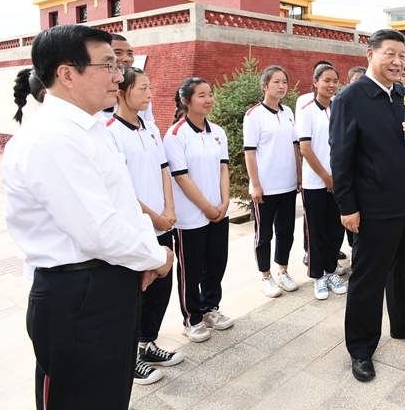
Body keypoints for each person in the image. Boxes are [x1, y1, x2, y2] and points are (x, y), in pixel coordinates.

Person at [3, 24, 173, 410]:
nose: (119, 76)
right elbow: (99, 230)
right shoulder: (52, 137)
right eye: (108, 65)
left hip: (108, 284)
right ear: (67, 74)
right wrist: (156, 256)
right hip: (79, 296)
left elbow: (122, 204)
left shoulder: (90, 128)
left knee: (108, 397)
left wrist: (144, 253)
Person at [329, 29, 405, 383]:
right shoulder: (350, 99)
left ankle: (403, 323)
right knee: (368, 278)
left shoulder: (403, 94)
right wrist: (347, 207)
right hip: (374, 205)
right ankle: (361, 347)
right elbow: (340, 159)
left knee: (401, 268)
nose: (397, 61)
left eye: (402, 56)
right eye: (390, 53)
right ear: (370, 55)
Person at [107, 67, 184, 385]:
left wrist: (169, 208)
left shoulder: (151, 128)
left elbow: (164, 170)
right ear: (122, 93)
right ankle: (130, 359)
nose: (150, 94)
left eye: (150, 87)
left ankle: (148, 344)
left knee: (161, 289)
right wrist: (154, 216)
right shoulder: (111, 132)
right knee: (136, 293)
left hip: (163, 223)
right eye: (142, 88)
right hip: (137, 229)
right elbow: (121, 189)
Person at [165, 77, 234, 343]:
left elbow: (223, 169)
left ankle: (209, 308)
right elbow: (181, 177)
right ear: (186, 101)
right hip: (191, 216)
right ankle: (191, 318)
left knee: (216, 263)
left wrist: (224, 202)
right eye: (201, 95)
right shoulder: (175, 135)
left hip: (219, 211)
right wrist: (206, 207)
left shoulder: (217, 132)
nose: (209, 100)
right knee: (191, 270)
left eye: (210, 94)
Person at [243, 65, 302, 299]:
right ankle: (265, 276)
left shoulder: (288, 112)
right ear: (264, 86)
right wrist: (255, 184)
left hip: (287, 184)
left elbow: (295, 146)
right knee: (264, 234)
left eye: (284, 82)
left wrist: (299, 174)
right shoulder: (254, 115)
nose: (281, 86)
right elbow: (249, 152)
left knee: (286, 231)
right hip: (265, 187)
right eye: (276, 82)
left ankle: (283, 271)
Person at [299, 65, 348, 300]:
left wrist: (338, 177)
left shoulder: (340, 108)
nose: (331, 85)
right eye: (326, 80)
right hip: (315, 183)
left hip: (339, 181)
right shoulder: (307, 110)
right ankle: (317, 276)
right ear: (315, 82)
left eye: (335, 81)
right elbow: (305, 149)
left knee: (336, 229)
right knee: (316, 232)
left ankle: (330, 272)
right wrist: (326, 178)